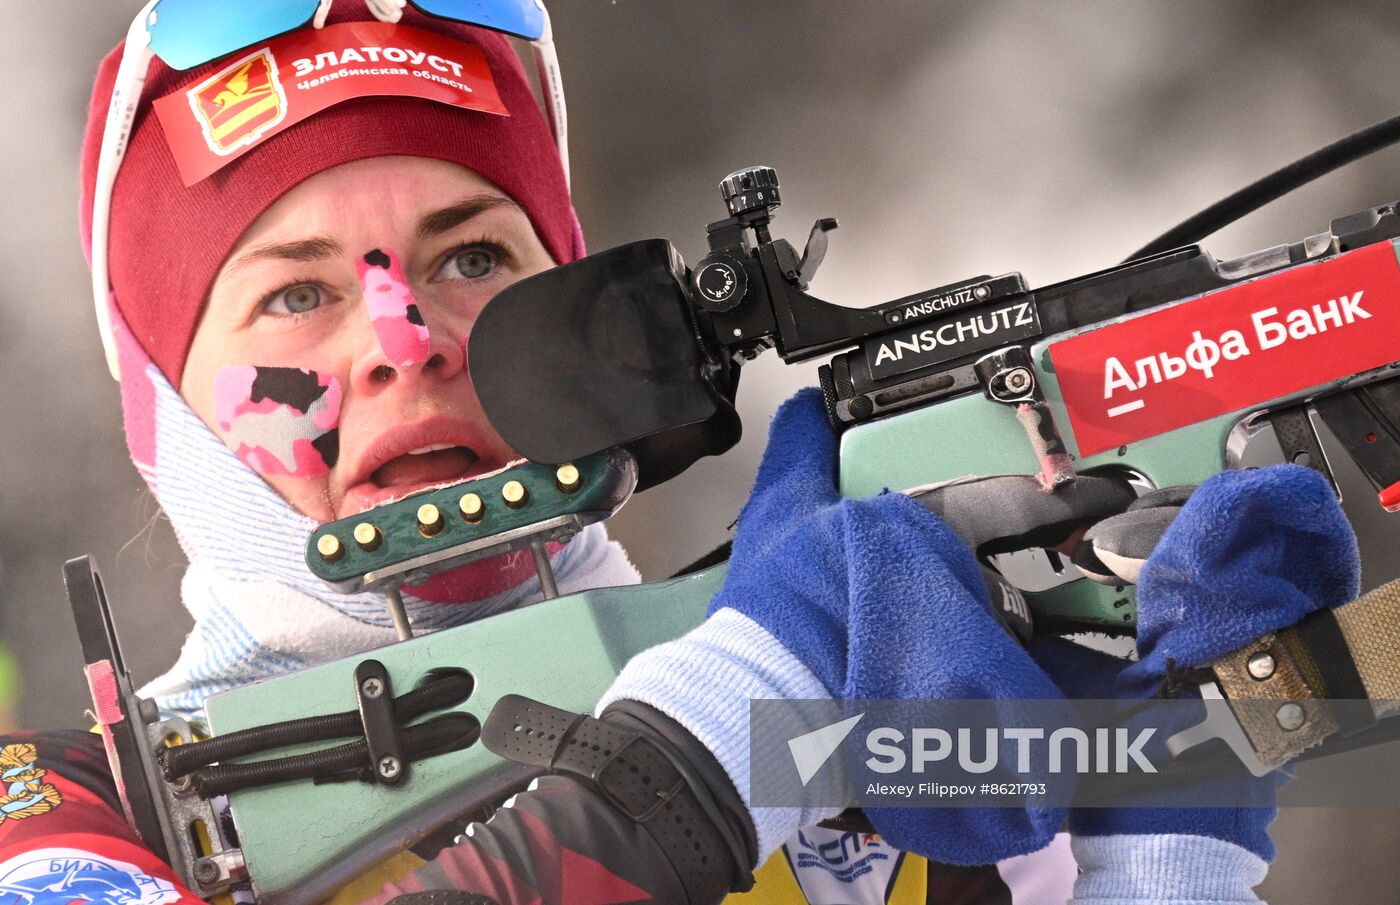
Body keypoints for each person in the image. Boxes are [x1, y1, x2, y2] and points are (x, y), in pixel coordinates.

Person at [0, 2, 1353, 903]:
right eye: (297, 292)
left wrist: (1161, 835)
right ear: (163, 412)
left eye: (477, 256)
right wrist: (739, 716)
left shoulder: (888, 730)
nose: (406, 339)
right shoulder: (57, 829)